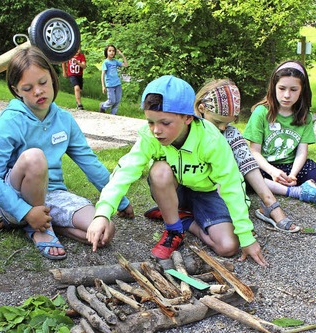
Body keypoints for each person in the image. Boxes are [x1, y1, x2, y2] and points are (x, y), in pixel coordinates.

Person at [87, 75, 267, 267]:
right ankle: (174, 230)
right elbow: (124, 172)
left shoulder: (211, 140)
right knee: (159, 171)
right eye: (151, 122)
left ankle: (185, 220)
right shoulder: (150, 137)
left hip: (207, 192)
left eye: (165, 123)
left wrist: (246, 236)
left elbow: (231, 183)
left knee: (228, 247)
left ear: (188, 117)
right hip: (175, 189)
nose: (156, 130)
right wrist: (102, 214)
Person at [0, 46, 133, 260]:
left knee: (104, 230)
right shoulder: (9, 122)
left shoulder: (64, 120)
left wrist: (120, 201)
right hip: (16, 198)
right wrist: (24, 211)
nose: (38, 91)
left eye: (43, 82)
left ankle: (45, 222)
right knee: (35, 157)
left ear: (52, 79)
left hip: (54, 195)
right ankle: (37, 227)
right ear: (16, 90)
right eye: (27, 88)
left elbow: (89, 162)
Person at [195, 79, 300, 232]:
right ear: (202, 108)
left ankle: (270, 203)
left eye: (228, 122)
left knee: (234, 139)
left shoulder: (228, 132)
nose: (223, 128)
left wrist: (269, 199)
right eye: (218, 122)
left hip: (218, 192)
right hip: (194, 190)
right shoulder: (188, 130)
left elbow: (247, 164)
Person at [242, 61, 316, 209]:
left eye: (294, 89)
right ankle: (297, 191)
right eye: (282, 88)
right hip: (266, 166)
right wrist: (273, 171)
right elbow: (254, 152)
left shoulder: (305, 116)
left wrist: (293, 175)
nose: (287, 95)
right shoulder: (261, 113)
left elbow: (302, 151)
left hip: (293, 165)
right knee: (246, 182)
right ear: (273, 87)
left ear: (302, 90)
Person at [99, 44, 128, 115]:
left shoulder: (115, 61)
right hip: (110, 85)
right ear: (106, 52)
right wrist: (103, 86)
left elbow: (126, 65)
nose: (112, 52)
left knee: (117, 101)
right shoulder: (105, 62)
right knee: (112, 100)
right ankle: (103, 106)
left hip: (117, 84)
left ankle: (113, 115)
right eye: (110, 51)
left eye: (113, 51)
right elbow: (102, 74)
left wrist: (122, 55)